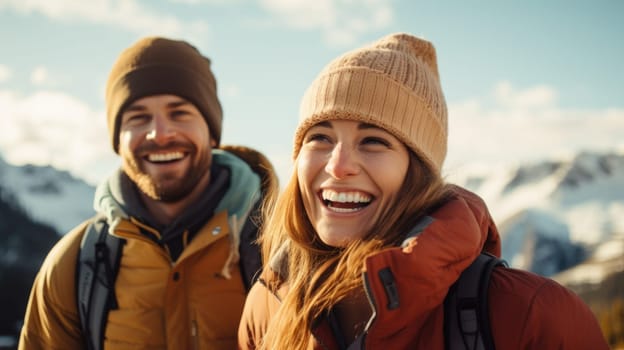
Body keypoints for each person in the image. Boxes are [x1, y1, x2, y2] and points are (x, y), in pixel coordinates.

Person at [237, 33, 608, 349]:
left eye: (373, 141)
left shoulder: (531, 313)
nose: (337, 165)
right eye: (320, 137)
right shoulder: (267, 306)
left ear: (418, 172)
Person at [18, 36, 277, 349]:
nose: (160, 134)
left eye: (179, 113)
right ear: (117, 140)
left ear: (211, 132)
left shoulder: (280, 249)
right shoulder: (74, 265)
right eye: (138, 117)